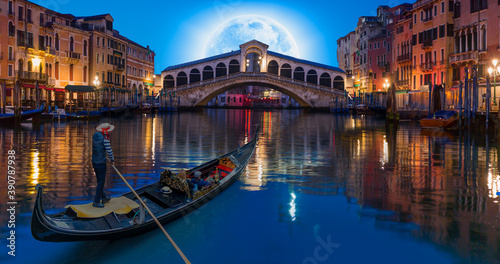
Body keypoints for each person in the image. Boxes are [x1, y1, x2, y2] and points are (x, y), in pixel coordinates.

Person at [92, 123, 115, 208]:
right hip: (101, 163)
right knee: (101, 182)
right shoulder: (105, 139)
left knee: (99, 181)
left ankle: (104, 197)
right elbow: (109, 150)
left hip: (94, 161)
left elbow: (98, 148)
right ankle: (96, 201)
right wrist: (112, 160)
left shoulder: (95, 135)